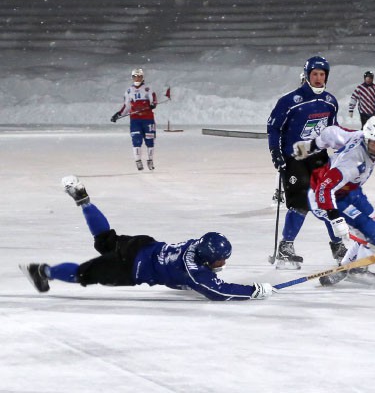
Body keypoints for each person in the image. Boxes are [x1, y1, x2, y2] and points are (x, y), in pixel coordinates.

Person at [20, 176, 274, 301]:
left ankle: (85, 202)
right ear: (209, 258)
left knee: (105, 238)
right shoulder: (195, 270)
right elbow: (216, 291)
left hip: (140, 245)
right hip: (130, 268)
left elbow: (190, 280)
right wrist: (254, 291)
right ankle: (42, 271)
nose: (222, 264)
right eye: (220, 260)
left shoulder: (196, 245)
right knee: (83, 274)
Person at [293, 116, 375, 288]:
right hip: (327, 199)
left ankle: (346, 268)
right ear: (368, 139)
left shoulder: (359, 135)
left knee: (374, 224)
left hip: (350, 190)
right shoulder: (352, 162)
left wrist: (311, 146)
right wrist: (335, 218)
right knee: (373, 233)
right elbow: (324, 189)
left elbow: (331, 133)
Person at [267, 56, 344, 269]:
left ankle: (338, 246)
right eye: (315, 74)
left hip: (318, 156)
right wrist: (276, 151)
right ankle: (286, 246)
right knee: (300, 200)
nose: (319, 79)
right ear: (307, 75)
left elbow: (332, 129)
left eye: (322, 75)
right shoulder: (289, 101)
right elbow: (273, 127)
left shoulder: (330, 101)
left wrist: (339, 148)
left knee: (327, 198)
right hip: (295, 158)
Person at [111, 68, 158, 171]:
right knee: (136, 140)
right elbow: (127, 106)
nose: (137, 78)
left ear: (142, 77)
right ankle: (138, 161)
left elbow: (154, 101)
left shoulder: (148, 89)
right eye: (135, 76)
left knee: (150, 140)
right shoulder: (129, 90)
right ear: (132, 77)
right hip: (135, 119)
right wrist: (118, 114)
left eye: (139, 76)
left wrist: (152, 105)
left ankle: (150, 160)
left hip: (147, 119)